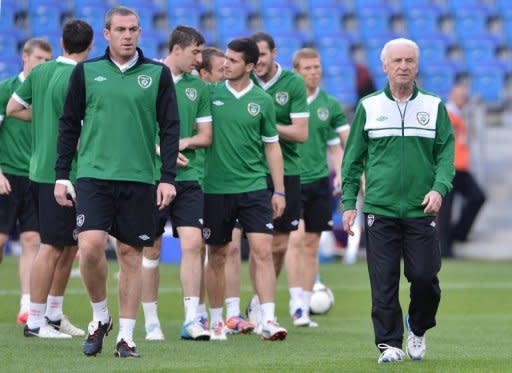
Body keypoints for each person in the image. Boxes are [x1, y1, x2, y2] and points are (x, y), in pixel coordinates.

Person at [54, 6, 179, 358]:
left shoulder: (157, 74)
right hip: (93, 175)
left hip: (140, 177)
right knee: (90, 247)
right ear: (106, 34)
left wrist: (167, 177)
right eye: (121, 29)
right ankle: (100, 317)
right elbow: (68, 125)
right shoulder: (86, 72)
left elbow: (170, 129)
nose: (128, 35)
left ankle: (126, 336)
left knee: (129, 255)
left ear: (140, 33)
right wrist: (61, 176)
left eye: (133, 29)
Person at [341, 38, 454, 364]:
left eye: (409, 60)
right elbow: (352, 161)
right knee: (383, 282)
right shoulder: (369, 106)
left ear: (417, 66)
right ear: (385, 66)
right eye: (397, 61)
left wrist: (439, 188)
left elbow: (446, 154)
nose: (403, 66)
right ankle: (389, 344)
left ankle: (417, 328)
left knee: (424, 278)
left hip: (422, 209)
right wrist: (350, 203)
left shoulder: (434, 106)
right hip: (380, 209)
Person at [6, 22, 93, 339]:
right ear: (91, 45)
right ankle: (34, 321)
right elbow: (84, 130)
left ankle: (54, 314)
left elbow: (14, 108)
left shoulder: (40, 73)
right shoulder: (83, 76)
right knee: (52, 247)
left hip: (41, 169)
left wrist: (43, 116)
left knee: (69, 245)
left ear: (61, 42)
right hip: (62, 173)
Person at [203, 37, 287, 341]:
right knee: (218, 254)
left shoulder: (263, 101)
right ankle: (216, 321)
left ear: (250, 66)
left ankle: (268, 319)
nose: (226, 63)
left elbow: (273, 148)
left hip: (253, 187)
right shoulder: (209, 95)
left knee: (263, 251)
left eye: (233, 60)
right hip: (215, 188)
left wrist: (278, 190)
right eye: (225, 58)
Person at [141, 25, 211, 342]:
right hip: (151, 176)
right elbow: (132, 127)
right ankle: (151, 320)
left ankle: (191, 320)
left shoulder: (199, 87)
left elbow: (205, 136)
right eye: (195, 52)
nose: (200, 59)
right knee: (150, 248)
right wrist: (162, 149)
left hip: (190, 177)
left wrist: (180, 144)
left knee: (194, 244)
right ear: (177, 49)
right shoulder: (149, 77)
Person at [247, 32, 309, 329]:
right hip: (251, 170)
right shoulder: (243, 79)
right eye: (254, 56)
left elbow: (301, 132)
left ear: (274, 53)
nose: (258, 61)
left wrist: (267, 125)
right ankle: (260, 304)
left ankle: (260, 299)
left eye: (262, 54)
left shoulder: (293, 83)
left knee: (280, 244)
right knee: (259, 243)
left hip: (288, 170)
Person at [285, 48, 348, 327]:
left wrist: (341, 174)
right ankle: (295, 302)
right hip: (290, 179)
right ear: (296, 71)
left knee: (311, 245)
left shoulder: (330, 105)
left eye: (317, 67)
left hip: (319, 180)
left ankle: (306, 306)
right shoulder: (285, 101)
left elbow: (336, 145)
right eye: (308, 68)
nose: (314, 72)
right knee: (295, 239)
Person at [198, 46, 256, 334]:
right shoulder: (200, 97)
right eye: (220, 70)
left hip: (226, 185)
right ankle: (198, 313)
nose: (226, 73)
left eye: (228, 67)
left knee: (230, 248)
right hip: (199, 182)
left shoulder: (227, 97)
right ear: (204, 73)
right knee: (199, 251)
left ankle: (231, 313)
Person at [0, 38, 52, 324]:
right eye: (39, 59)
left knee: (33, 240)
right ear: (25, 57)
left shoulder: (47, 92)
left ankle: (26, 305)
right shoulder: (6, 90)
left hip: (35, 176)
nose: (43, 64)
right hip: (7, 174)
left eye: (48, 60)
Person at [439, 84, 486, 258]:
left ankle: (458, 233)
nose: (462, 99)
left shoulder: (459, 115)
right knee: (445, 210)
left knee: (478, 196)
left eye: (464, 96)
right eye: (458, 95)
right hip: (449, 167)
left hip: (461, 168)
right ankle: (445, 249)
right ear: (451, 95)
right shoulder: (445, 113)